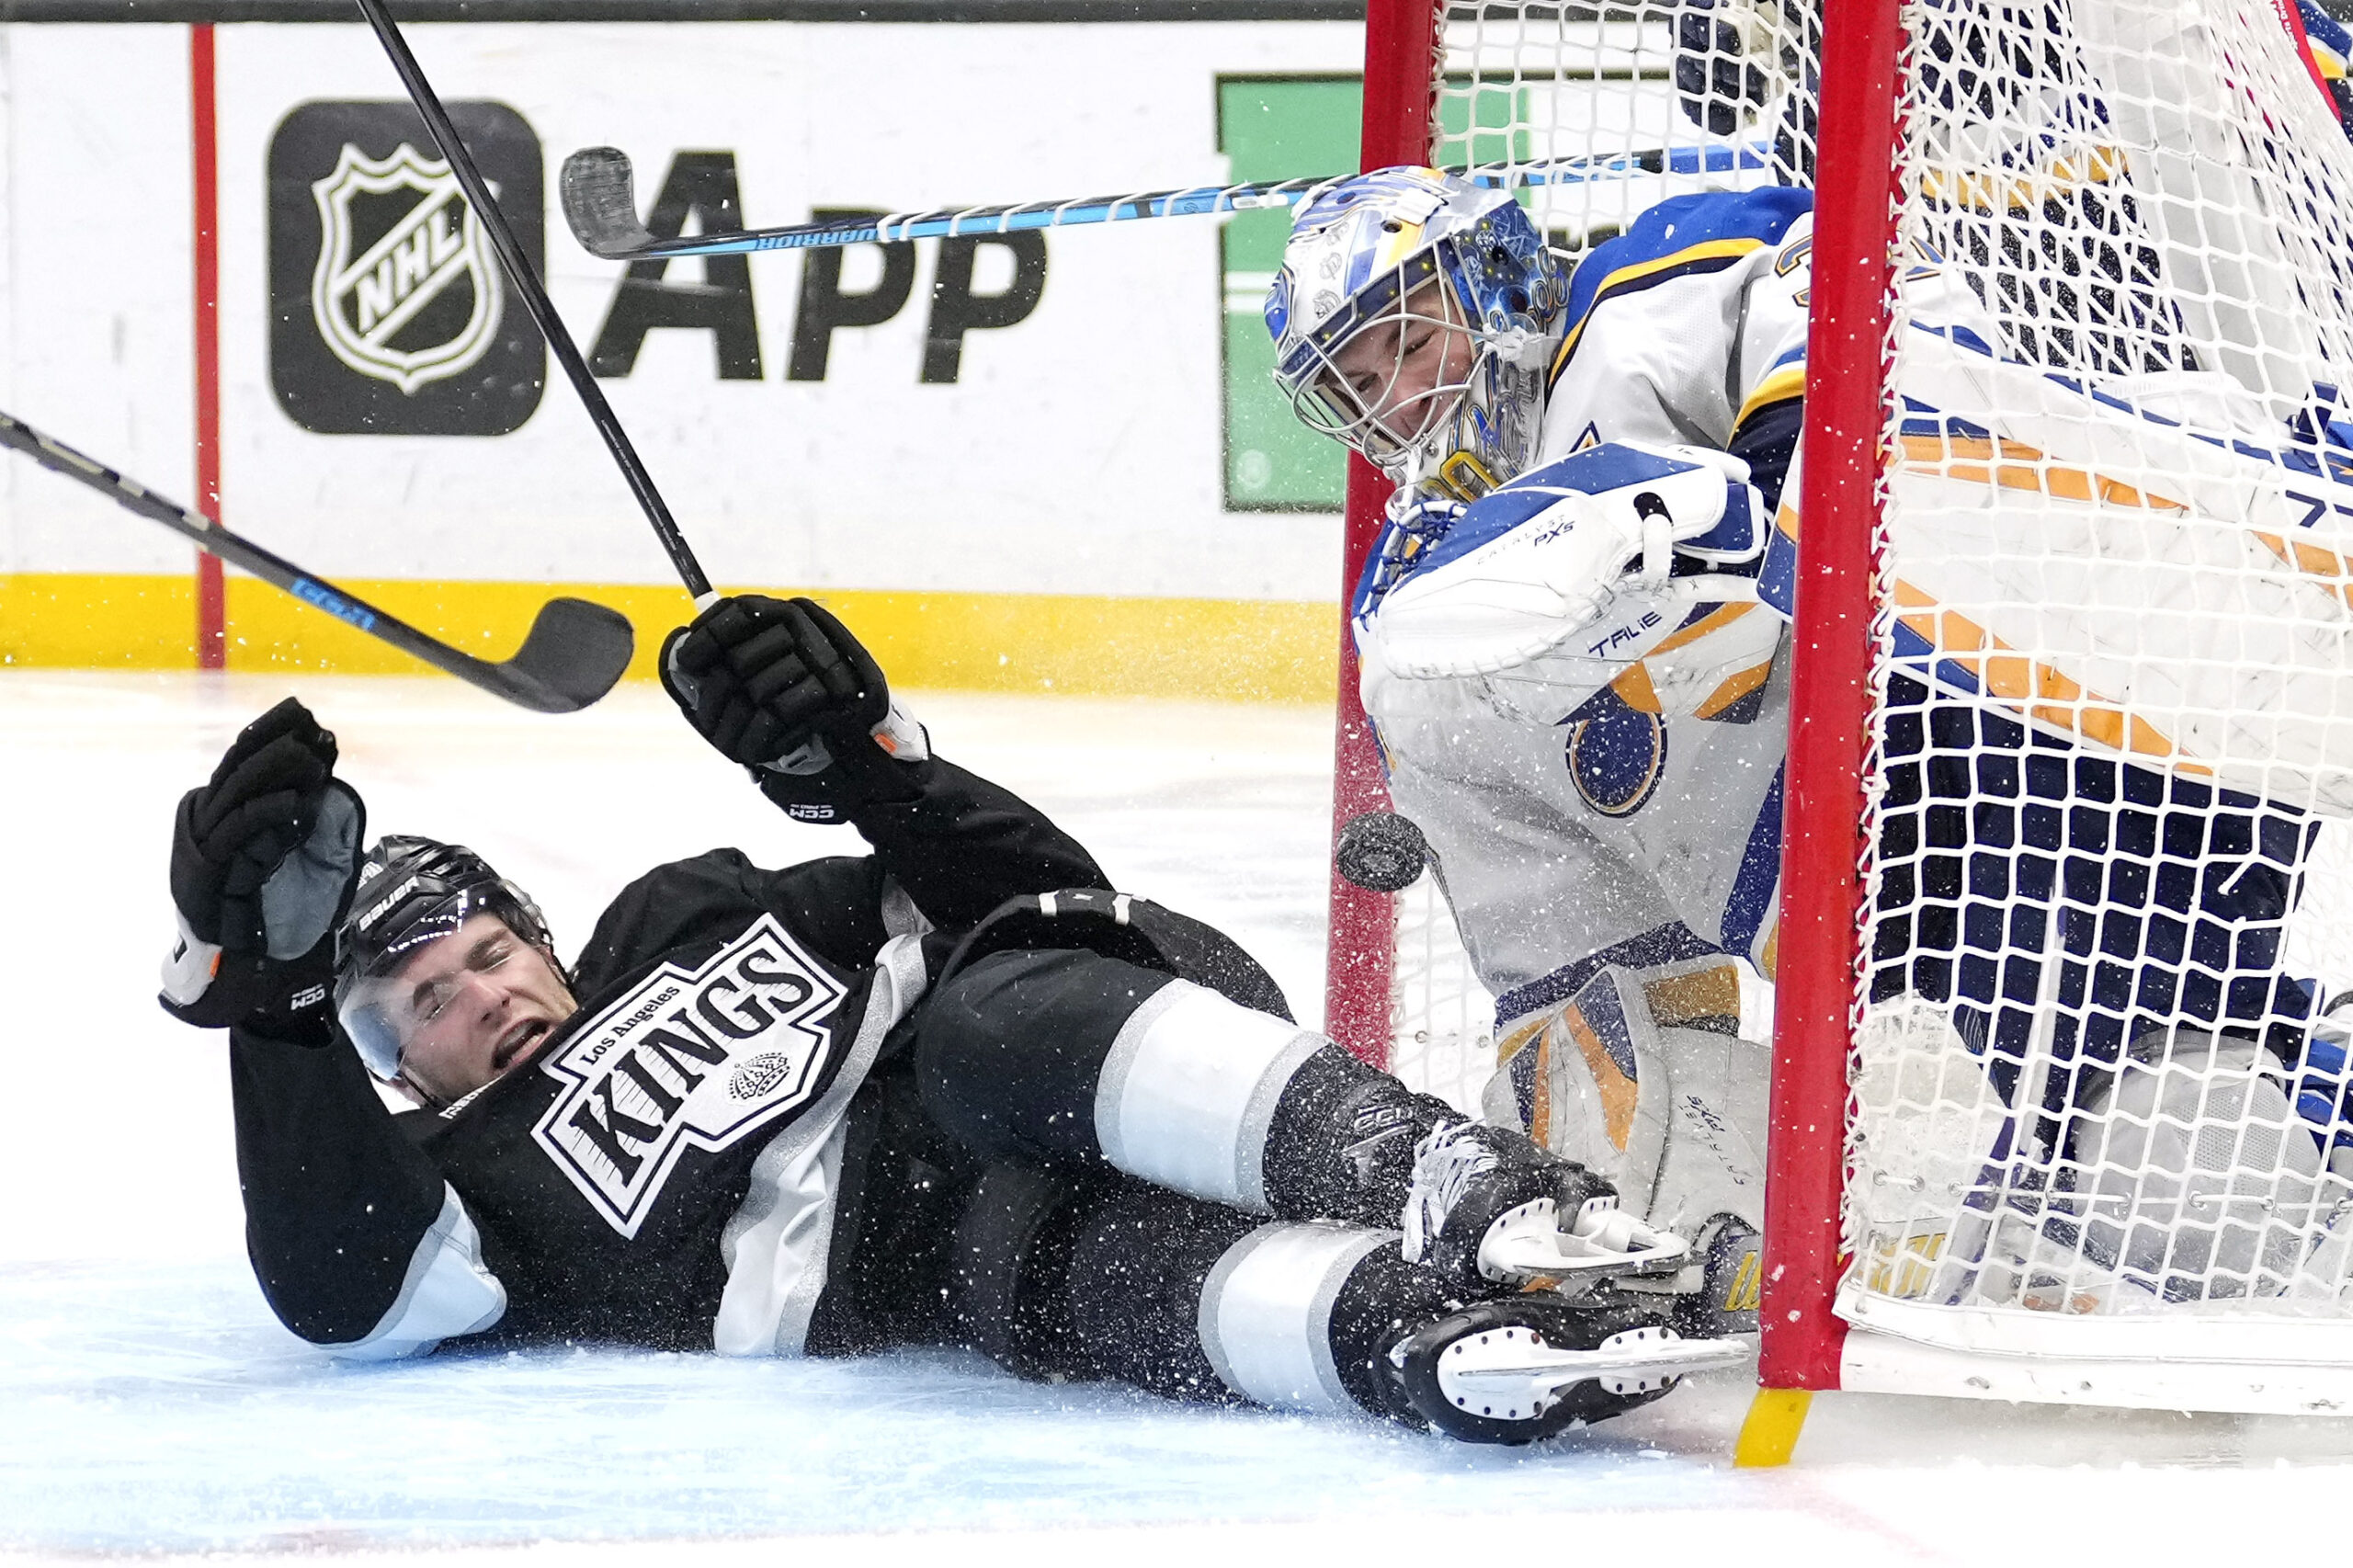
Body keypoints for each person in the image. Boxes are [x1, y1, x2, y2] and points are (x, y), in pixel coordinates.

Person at [155, 593, 1743, 1445]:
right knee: (1045, 1285)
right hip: (964, 1236)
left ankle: (1459, 1181)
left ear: (543, 935)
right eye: (421, 1003)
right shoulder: (464, 1191)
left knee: (992, 1023)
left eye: (490, 950)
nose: (481, 997)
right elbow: (337, 1289)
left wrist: (870, 757)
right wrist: (276, 1018)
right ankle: (1430, 1341)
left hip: (1089, 1047)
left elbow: (1045, 894)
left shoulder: (686, 913)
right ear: (392, 1066)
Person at [1265, 140, 2353, 1318]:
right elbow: (1553, 892)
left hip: (2050, 734)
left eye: (1414, 341)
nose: (1401, 397)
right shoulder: (1436, 591)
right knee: (2188, 1189)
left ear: (1501, 278)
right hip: (1895, 884)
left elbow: (1908, 367)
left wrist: (1744, 530)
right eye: (1358, 386)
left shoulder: (1663, 280)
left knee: (2196, 1179)